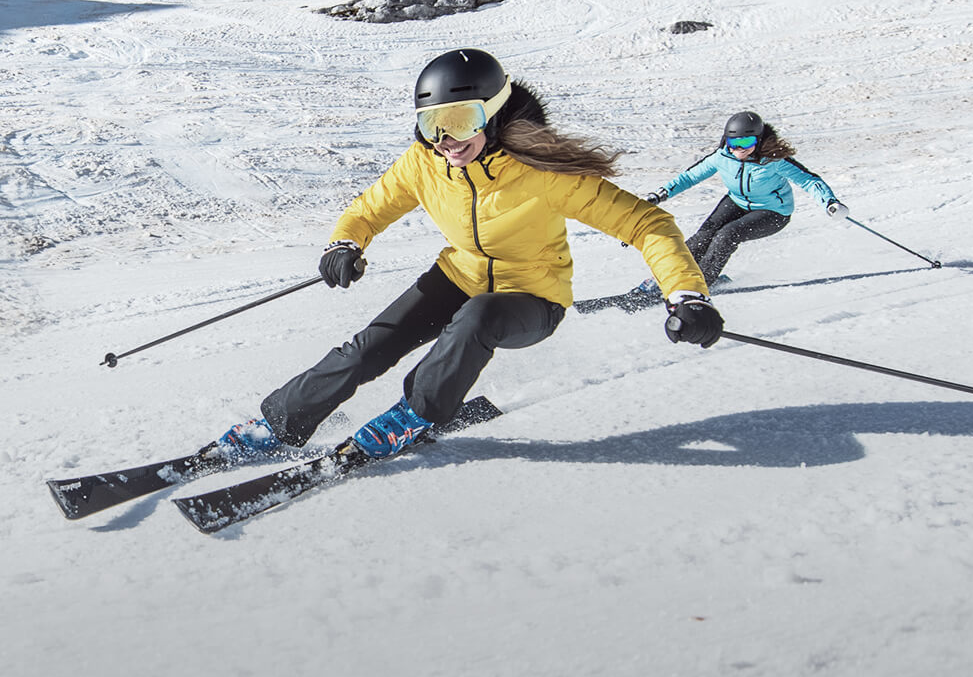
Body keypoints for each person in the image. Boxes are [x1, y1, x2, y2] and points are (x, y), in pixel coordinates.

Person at [215, 48, 721, 463]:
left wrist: (686, 296)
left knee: (478, 318)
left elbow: (647, 224)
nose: (446, 140)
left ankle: (415, 415)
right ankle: (280, 423)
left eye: (461, 120)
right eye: (432, 123)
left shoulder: (544, 174)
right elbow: (370, 208)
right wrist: (346, 243)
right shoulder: (425, 163)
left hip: (532, 296)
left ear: (494, 115)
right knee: (369, 347)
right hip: (457, 274)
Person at [642, 110, 843, 289]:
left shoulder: (774, 161)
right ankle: (664, 276)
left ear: (759, 140)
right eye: (733, 143)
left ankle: (697, 285)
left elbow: (809, 180)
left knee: (727, 235)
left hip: (773, 212)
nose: (739, 149)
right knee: (705, 233)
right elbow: (689, 177)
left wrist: (829, 202)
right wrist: (661, 194)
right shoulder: (722, 157)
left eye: (746, 143)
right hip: (737, 201)